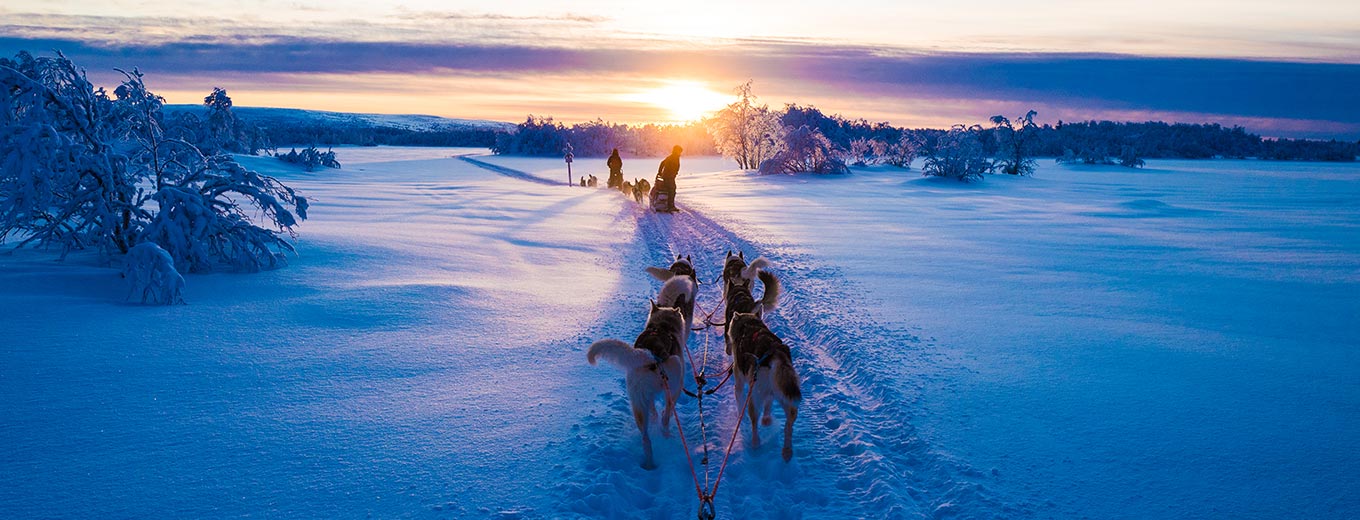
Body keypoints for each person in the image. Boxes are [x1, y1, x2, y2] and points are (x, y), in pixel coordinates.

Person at [656, 145, 682, 211]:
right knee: (672, 190)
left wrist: (660, 172)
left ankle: (667, 204)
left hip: (667, 176)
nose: (680, 153)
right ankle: (670, 206)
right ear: (676, 151)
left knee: (669, 190)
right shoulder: (674, 157)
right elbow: (673, 168)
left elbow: (662, 163)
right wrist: (673, 174)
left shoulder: (670, 157)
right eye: (680, 151)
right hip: (669, 177)